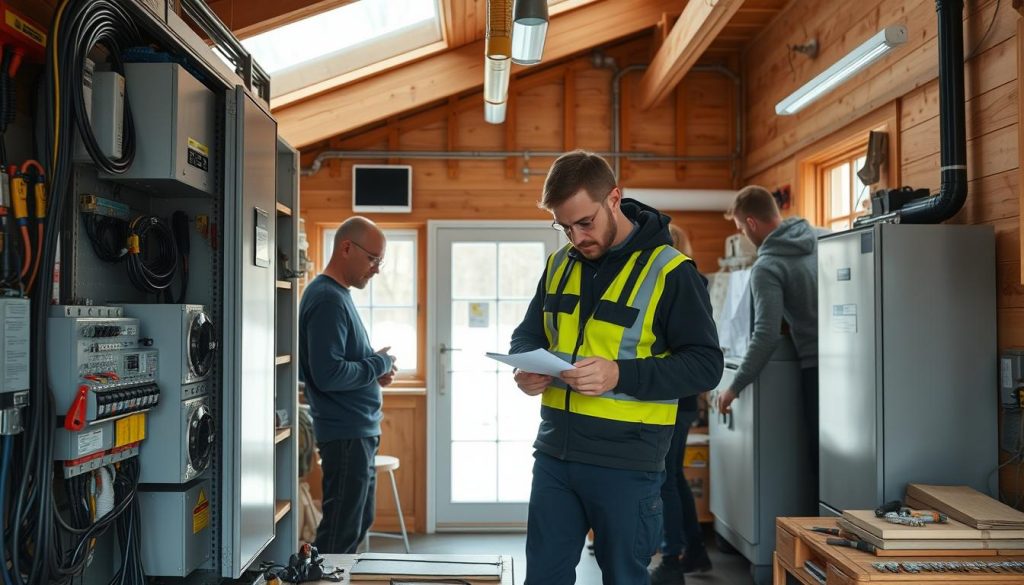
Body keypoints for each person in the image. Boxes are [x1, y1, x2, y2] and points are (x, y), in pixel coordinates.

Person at [510, 150, 723, 585]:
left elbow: (705, 365)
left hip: (628, 463)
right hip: (554, 454)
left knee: (624, 578)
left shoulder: (671, 272)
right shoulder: (559, 265)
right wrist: (526, 367)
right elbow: (527, 334)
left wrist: (619, 375)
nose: (575, 237)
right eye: (564, 226)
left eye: (584, 222)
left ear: (614, 199)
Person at [714, 185, 823, 497]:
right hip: (856, 360)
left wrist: (734, 387)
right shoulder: (818, 236)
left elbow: (766, 333)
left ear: (750, 224)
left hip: (815, 366)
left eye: (739, 229)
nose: (744, 238)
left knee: (819, 459)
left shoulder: (768, 266)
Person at [298, 216, 397, 554]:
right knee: (341, 532)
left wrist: (372, 371)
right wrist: (379, 363)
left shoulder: (336, 295)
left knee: (356, 522)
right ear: (345, 248)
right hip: (346, 434)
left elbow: (337, 362)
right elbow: (328, 374)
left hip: (356, 432)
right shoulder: (327, 299)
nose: (376, 269)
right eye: (372, 259)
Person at [649, 225, 712, 585]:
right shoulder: (698, 279)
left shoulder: (686, 281)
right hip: (683, 398)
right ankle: (695, 550)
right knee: (673, 476)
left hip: (675, 396)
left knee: (666, 479)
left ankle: (672, 555)